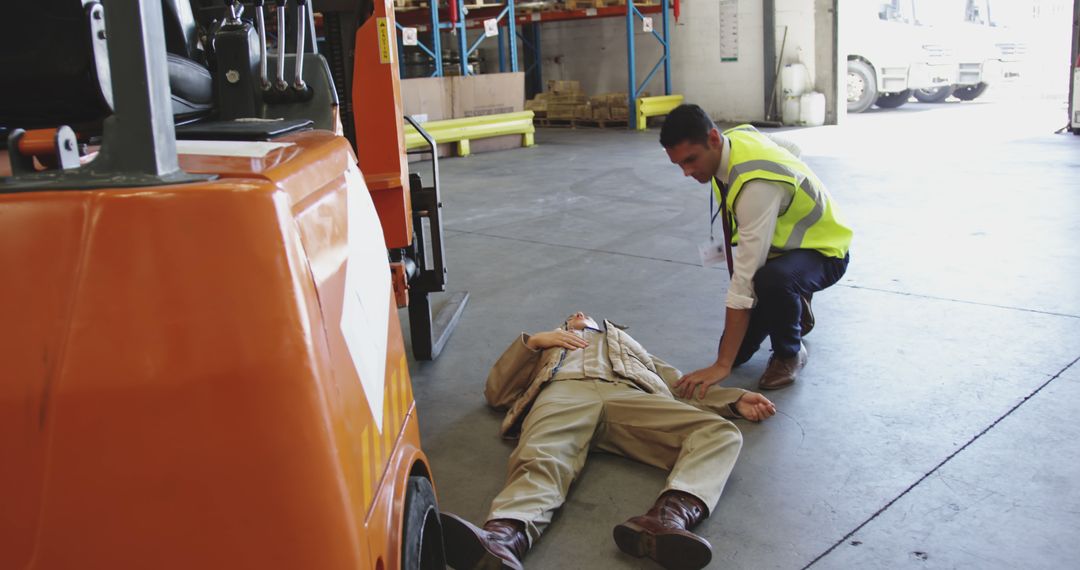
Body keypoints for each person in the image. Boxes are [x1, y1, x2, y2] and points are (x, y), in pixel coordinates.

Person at [440, 312, 776, 570]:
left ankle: (666, 520)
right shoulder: (548, 347)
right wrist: (537, 342)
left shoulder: (628, 346)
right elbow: (497, 393)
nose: (578, 314)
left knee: (719, 433)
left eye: (584, 314)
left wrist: (732, 401)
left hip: (627, 396)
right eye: (571, 316)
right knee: (543, 457)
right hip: (564, 394)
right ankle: (504, 538)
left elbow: (680, 385)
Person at [659, 103, 852, 394]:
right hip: (783, 254)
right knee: (740, 352)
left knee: (771, 281)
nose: (687, 172)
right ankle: (795, 304)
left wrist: (721, 365)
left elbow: (745, 279)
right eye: (679, 165)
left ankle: (789, 352)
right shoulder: (735, 139)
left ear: (713, 139)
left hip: (824, 251)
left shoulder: (757, 186)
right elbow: (790, 146)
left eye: (691, 160)